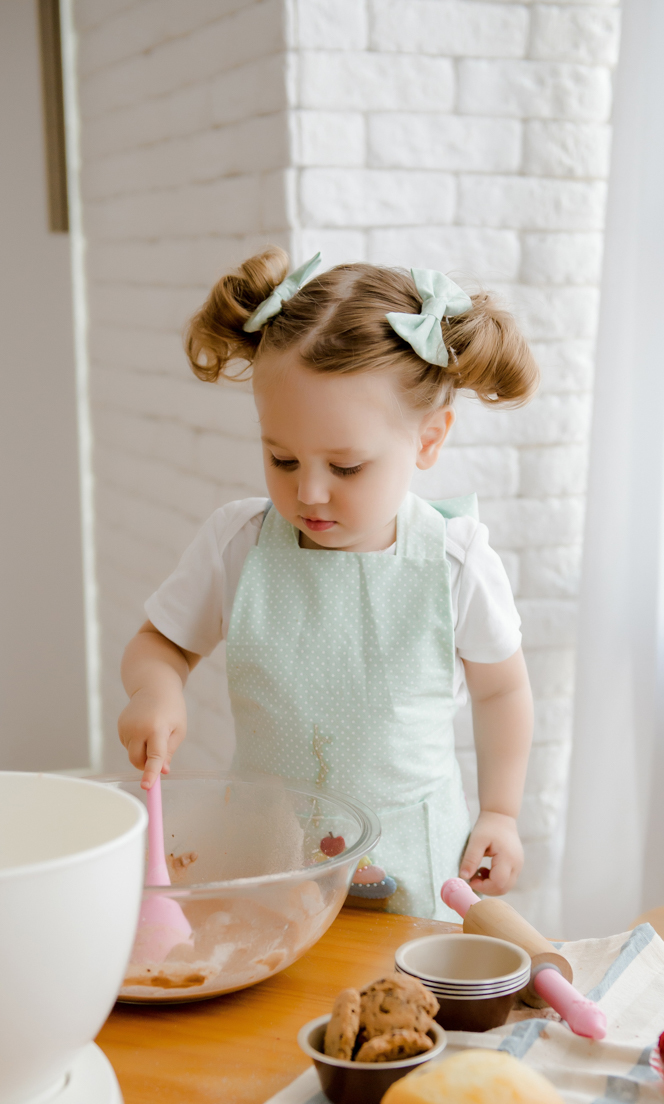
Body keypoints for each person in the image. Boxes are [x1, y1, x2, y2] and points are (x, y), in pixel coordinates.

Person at [118, 249, 537, 918]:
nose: (308, 491)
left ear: (428, 440)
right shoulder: (239, 544)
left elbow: (502, 691)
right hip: (267, 856)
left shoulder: (454, 563)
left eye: (345, 467)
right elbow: (159, 644)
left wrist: (500, 812)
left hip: (414, 858)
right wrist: (156, 689)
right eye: (282, 458)